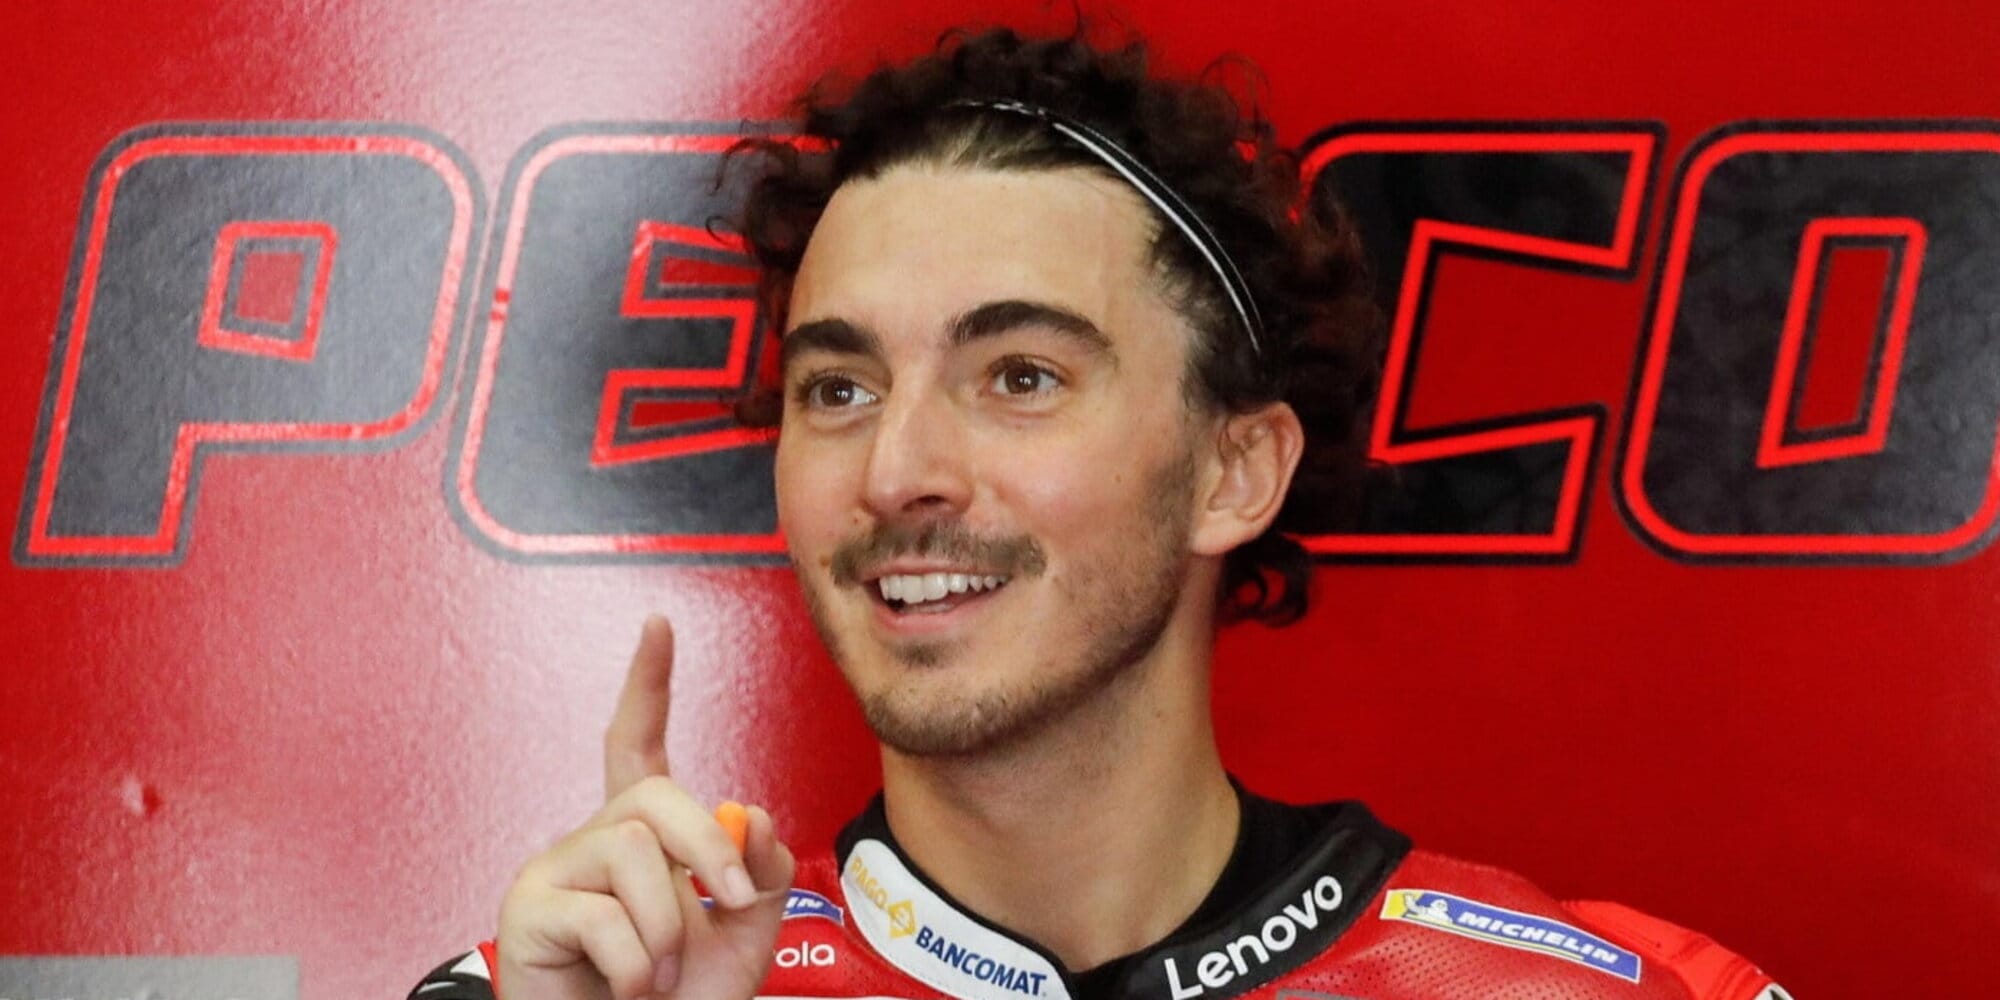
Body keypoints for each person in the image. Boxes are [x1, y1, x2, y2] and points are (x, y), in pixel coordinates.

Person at [409, 24, 1792, 1000]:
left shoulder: (1618, 992)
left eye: (1019, 376)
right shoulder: (575, 991)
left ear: (1234, 471)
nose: (895, 470)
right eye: (838, 388)